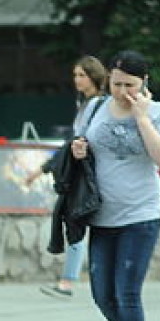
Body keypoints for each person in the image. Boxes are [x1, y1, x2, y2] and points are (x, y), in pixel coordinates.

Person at [70, 51, 160, 321]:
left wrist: (142, 118)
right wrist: (79, 149)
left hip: (141, 215)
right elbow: (80, 145)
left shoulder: (159, 113)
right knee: (102, 296)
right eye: (117, 84)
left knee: (127, 293)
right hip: (102, 216)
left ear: (144, 82)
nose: (122, 92)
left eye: (130, 85)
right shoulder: (96, 108)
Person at [29, 55, 108, 298]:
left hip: (88, 175)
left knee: (76, 221)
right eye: (75, 75)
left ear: (94, 76)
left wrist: (44, 168)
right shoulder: (84, 104)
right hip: (80, 173)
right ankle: (68, 280)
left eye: (82, 75)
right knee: (75, 222)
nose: (77, 80)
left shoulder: (98, 105)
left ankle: (69, 282)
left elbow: (80, 140)